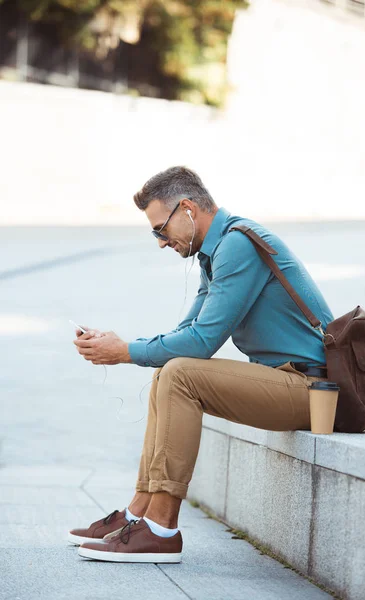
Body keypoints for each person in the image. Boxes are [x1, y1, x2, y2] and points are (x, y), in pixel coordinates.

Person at [69, 166, 334, 564]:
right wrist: (125, 344)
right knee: (169, 370)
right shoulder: (218, 250)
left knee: (179, 374)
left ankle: (161, 529)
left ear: (188, 209)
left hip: (315, 393)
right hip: (284, 382)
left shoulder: (238, 245)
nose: (160, 243)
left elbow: (202, 343)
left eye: (161, 229)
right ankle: (137, 513)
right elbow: (188, 333)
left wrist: (125, 351)